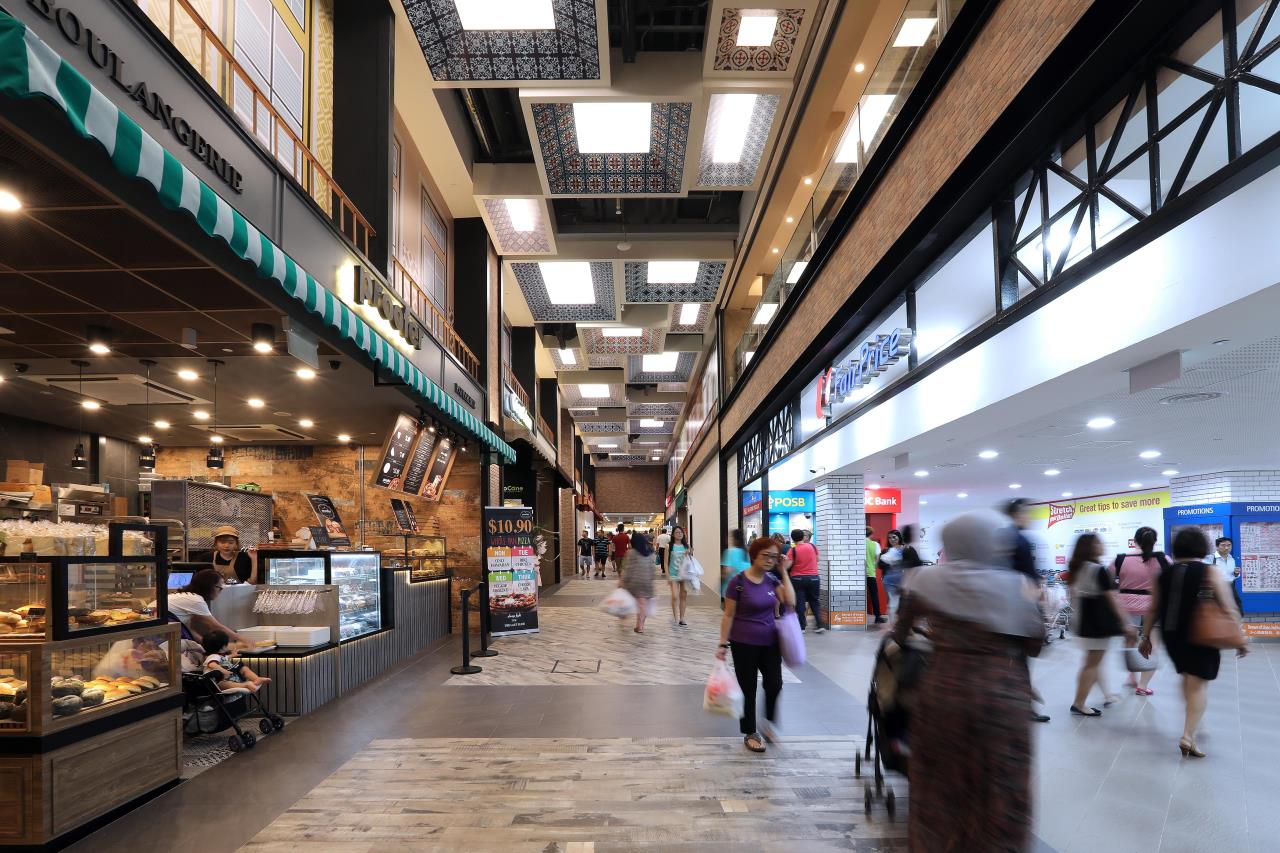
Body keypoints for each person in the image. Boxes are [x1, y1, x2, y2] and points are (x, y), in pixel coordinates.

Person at [891, 510, 1044, 852]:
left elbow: (900, 634)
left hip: (941, 693)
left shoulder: (924, 581)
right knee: (1001, 787)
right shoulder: (1018, 586)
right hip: (1002, 698)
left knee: (938, 785)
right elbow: (1035, 645)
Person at [1140, 527, 1248, 758]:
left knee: (1188, 677)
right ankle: (1188, 735)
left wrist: (1145, 636)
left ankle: (1194, 720)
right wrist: (1240, 637)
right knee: (1198, 684)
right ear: (1202, 547)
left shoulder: (1165, 574)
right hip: (1202, 633)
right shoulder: (1210, 572)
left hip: (1172, 635)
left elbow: (1154, 608)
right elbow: (1228, 607)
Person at [716, 536, 796, 753]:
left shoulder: (772, 580)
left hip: (770, 642)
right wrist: (723, 644)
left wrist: (784, 571)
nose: (769, 560)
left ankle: (768, 722)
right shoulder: (738, 582)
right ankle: (750, 731)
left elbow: (790, 601)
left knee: (775, 683)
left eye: (773, 556)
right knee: (748, 688)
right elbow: (728, 615)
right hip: (743, 643)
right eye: (765, 555)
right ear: (754, 555)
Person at [1068, 533, 1134, 716]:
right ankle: (1079, 703)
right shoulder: (1099, 570)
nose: (1102, 545)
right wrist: (1126, 623)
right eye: (1098, 543)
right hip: (1098, 622)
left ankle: (1106, 695)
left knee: (1092, 661)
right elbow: (1113, 600)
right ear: (1091, 547)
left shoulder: (1078, 568)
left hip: (1083, 621)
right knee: (1092, 663)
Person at [1003, 498, 1051, 723]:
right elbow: (1026, 579)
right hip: (1018, 610)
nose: (1029, 517)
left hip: (1004, 608)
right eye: (1026, 512)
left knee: (1012, 658)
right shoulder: (1019, 540)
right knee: (1019, 659)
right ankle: (1022, 705)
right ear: (1016, 513)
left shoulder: (1005, 538)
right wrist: (1037, 610)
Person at [1114, 526, 1169, 696]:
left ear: (1135, 540)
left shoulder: (1121, 559)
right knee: (1152, 645)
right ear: (1155, 541)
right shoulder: (1163, 559)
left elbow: (1107, 581)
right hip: (1154, 608)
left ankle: (1131, 675)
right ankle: (1143, 685)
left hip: (1126, 607)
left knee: (1129, 642)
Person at [166, 569, 248, 645]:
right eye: (220, 588)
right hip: (160, 633)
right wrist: (245, 640)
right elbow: (215, 626)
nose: (220, 592)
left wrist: (205, 646)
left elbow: (189, 631)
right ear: (210, 586)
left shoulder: (187, 597)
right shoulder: (196, 600)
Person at [201, 629, 271, 693]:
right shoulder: (213, 656)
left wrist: (232, 655)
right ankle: (244, 685)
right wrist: (223, 671)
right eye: (226, 644)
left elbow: (224, 659)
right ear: (222, 647)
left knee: (242, 667)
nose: (228, 645)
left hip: (228, 675)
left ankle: (256, 679)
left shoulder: (219, 656)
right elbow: (212, 664)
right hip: (218, 680)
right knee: (224, 684)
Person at [788, 529, 824, 633]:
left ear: (792, 538)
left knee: (800, 602)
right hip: (814, 578)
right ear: (803, 537)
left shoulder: (793, 550)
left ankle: (802, 627)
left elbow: (788, 565)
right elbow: (817, 559)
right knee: (814, 601)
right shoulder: (812, 546)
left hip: (798, 579)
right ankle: (820, 625)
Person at [621, 533, 655, 634]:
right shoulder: (650, 552)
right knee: (643, 605)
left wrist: (623, 581)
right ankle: (640, 626)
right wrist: (651, 579)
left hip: (634, 583)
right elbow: (652, 569)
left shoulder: (631, 553)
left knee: (637, 604)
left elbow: (628, 569)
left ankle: (637, 625)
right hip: (647, 583)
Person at [667, 525, 693, 626]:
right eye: (677, 532)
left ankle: (682, 618)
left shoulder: (687, 546)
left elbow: (690, 561)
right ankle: (676, 617)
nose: (679, 534)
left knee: (684, 595)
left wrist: (689, 553)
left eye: (681, 532)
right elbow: (665, 562)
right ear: (673, 534)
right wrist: (667, 576)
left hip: (684, 574)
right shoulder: (669, 546)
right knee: (674, 596)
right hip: (673, 574)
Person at [721, 529, 750, 597]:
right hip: (743, 589)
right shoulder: (746, 553)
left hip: (730, 589)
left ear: (735, 539)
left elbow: (726, 572)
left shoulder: (729, 552)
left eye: (731, 537)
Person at [865, 527, 884, 624]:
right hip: (871, 573)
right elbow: (877, 560)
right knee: (874, 595)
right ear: (871, 534)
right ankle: (877, 616)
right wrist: (873, 566)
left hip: (859, 575)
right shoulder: (875, 544)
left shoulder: (858, 544)